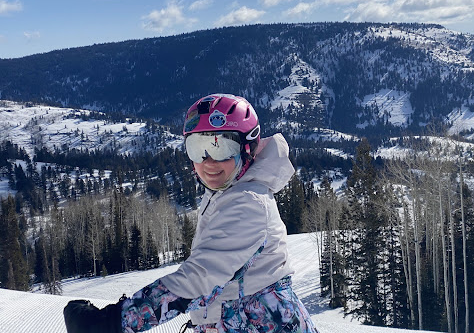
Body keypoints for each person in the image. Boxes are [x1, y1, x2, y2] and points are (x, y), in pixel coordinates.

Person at [64, 93, 319, 333]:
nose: (208, 162)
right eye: (198, 148)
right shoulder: (227, 190)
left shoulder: (248, 204)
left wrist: (112, 322)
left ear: (247, 147)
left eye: (221, 147)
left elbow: (199, 279)